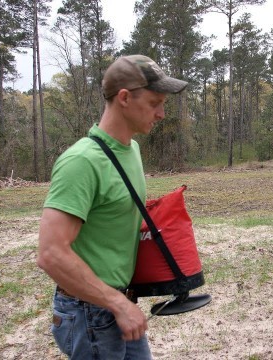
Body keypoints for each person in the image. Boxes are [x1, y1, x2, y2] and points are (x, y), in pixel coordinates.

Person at [37, 54, 188, 359]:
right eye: (154, 102)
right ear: (123, 98)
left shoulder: (130, 148)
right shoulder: (82, 162)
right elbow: (50, 254)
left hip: (118, 305)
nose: (160, 113)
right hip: (89, 314)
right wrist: (117, 303)